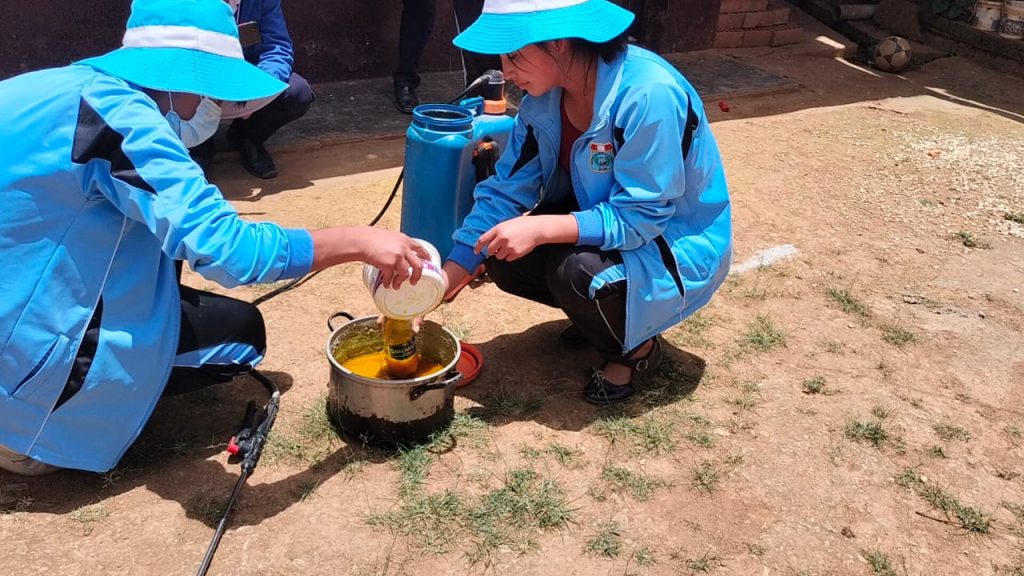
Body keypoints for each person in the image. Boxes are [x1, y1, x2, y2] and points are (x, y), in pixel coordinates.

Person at [0, 0, 429, 476]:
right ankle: (37, 436)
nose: (213, 106)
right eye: (210, 91)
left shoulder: (48, 88)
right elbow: (228, 252)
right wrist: (359, 241)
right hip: (26, 370)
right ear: (188, 73)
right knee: (242, 338)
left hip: (20, 293)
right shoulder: (125, 120)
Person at [441, 0, 733, 406]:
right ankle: (600, 314)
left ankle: (635, 351)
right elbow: (506, 189)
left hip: (673, 246)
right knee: (501, 254)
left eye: (514, 56)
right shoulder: (541, 100)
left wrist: (541, 227)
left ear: (558, 43)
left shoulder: (649, 93)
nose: (505, 72)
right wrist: (450, 273)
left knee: (575, 272)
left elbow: (641, 216)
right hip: (609, 227)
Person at [194, 0, 315, 179]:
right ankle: (198, 146)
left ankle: (247, 137)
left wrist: (259, 90)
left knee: (298, 93)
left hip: (246, 79)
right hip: (197, 82)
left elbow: (277, 47)